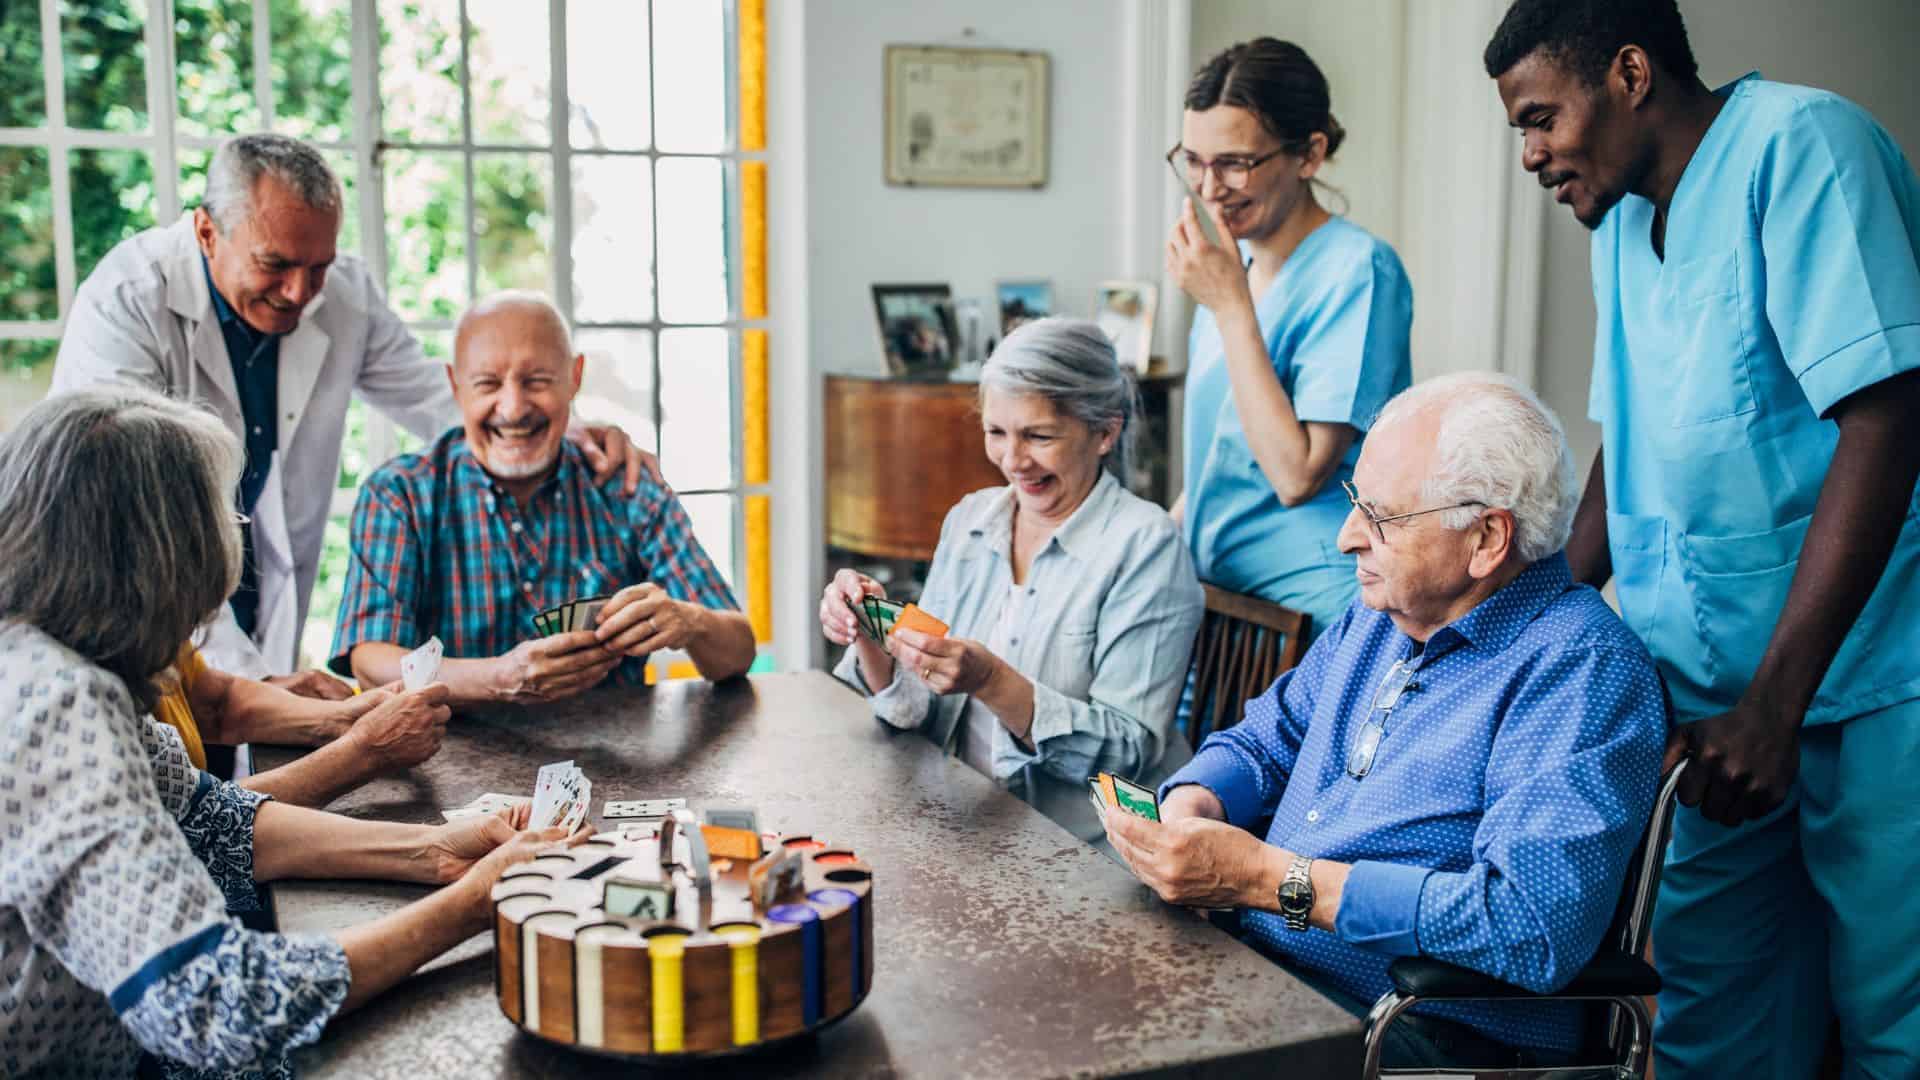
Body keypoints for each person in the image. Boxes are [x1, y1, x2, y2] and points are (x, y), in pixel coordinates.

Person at [1485, 2, 1920, 1075]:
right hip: (1703, 705)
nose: (1532, 155)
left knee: (1892, 1016)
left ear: (1630, 72)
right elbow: (1621, 445)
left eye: (1541, 118)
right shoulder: (1626, 223)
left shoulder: (1803, 147)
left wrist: (1779, 703)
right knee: (1699, 1011)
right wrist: (1515, 626)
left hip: (1867, 685)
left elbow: (1887, 413)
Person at [0, 386, 578, 1079]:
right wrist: (473, 903)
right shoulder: (55, 703)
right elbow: (222, 1003)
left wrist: (436, 852)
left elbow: (204, 820)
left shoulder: (48, 656)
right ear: (156, 565)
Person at [1103, 373, 1666, 1070]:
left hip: (1421, 1030)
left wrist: (1272, 880)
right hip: (1273, 971)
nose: (1346, 539)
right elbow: (1262, 743)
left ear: (1487, 537)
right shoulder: (1380, 617)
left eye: (1380, 517)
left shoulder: (1580, 669)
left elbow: (1530, 927)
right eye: (1353, 504)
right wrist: (1193, 805)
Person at [51, 132, 657, 692]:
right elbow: (127, 524)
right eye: (275, 264)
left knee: (246, 783)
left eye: (319, 265)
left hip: (252, 581)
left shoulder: (341, 292)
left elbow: (437, 398)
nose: (299, 292)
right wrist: (245, 686)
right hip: (133, 599)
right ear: (208, 233)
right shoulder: (127, 304)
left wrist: (573, 434)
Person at [822, 319, 1204, 844]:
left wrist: (992, 682)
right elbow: (915, 711)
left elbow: (1127, 756)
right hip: (965, 818)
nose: (1012, 460)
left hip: (1085, 849)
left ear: (1106, 433)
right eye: (996, 433)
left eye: (1039, 436)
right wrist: (872, 631)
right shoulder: (970, 521)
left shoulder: (1146, 547)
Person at [332, 291, 756, 701]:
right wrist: (498, 677)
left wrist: (692, 622)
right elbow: (371, 662)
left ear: (574, 378)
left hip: (614, 761)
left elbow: (738, 653)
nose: (513, 408)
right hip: (442, 753)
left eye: (536, 381)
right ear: (454, 385)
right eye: (488, 384)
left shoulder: (627, 487)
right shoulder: (399, 495)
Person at [1169, 38, 1413, 645]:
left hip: (1312, 611)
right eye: (1193, 160)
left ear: (1310, 154)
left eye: (1234, 162)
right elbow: (1221, 454)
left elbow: (1296, 473)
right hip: (1219, 607)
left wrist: (1230, 307)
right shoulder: (1235, 266)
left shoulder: (1358, 269)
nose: (1209, 187)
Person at [153, 641, 448, 808]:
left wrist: (338, 718)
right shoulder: (108, 691)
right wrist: (364, 751)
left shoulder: (157, 627)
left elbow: (216, 702)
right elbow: (195, 816)